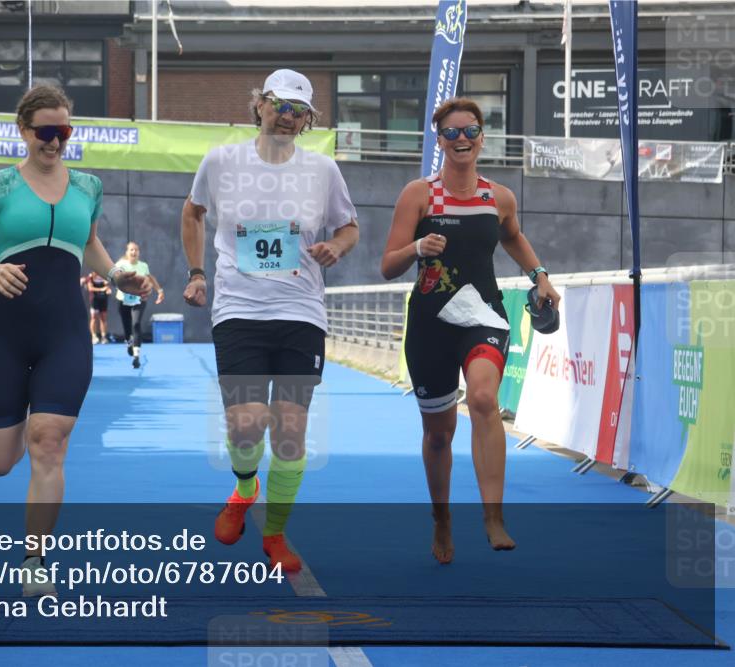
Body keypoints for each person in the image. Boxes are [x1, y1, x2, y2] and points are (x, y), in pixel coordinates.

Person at [0, 85, 151, 596]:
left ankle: (34, 562)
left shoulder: (87, 185)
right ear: (24, 132)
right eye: (46, 131)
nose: (55, 141)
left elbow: (88, 243)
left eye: (63, 131)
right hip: (3, 332)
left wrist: (117, 274)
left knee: (49, 442)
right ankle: (14, 419)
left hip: (65, 332)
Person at [182, 69, 359, 572]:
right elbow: (192, 213)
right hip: (239, 308)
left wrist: (337, 246)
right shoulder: (221, 162)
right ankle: (244, 488)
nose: (288, 116)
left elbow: (350, 226)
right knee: (245, 426)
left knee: (289, 432)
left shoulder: (323, 170)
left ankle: (275, 534)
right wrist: (197, 273)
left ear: (308, 120)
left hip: (301, 310)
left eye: (299, 110)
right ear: (259, 104)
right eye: (280, 105)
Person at [380, 97, 561, 564]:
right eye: (453, 132)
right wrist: (418, 245)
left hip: (482, 313)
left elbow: (513, 236)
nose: (462, 139)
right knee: (439, 435)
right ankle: (442, 520)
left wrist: (539, 274)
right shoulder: (419, 194)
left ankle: (493, 516)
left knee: (483, 399)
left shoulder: (498, 196)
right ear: (438, 140)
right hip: (431, 323)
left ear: (482, 138)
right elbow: (387, 264)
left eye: (471, 131)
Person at [114, 241, 164, 368]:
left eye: (136, 250)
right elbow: (113, 276)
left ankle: (136, 356)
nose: (134, 252)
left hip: (139, 300)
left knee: (136, 323)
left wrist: (159, 291)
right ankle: (129, 341)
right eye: (131, 250)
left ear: (139, 252)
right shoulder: (120, 264)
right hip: (123, 300)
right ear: (127, 252)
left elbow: (150, 278)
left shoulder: (143, 266)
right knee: (127, 327)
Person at [83, 271, 111, 344]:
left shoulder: (104, 277)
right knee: (94, 318)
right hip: (94, 301)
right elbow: (90, 288)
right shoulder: (90, 277)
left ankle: (104, 337)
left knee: (103, 318)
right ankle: (93, 336)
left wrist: (108, 290)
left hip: (103, 300)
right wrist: (101, 289)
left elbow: (107, 287)